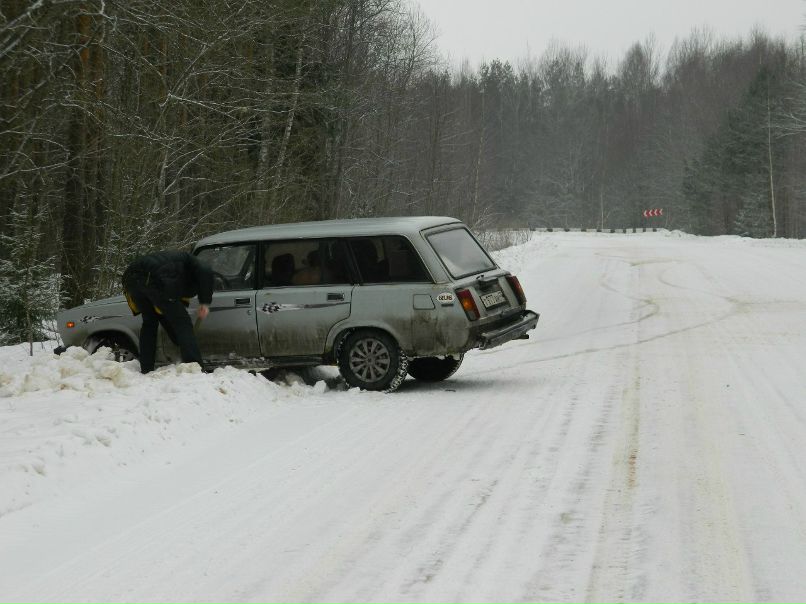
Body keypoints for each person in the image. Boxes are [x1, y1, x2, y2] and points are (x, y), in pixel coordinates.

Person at [122, 250, 214, 374]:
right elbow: (206, 271)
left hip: (131, 279)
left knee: (149, 323)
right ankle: (194, 369)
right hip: (153, 278)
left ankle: (146, 368)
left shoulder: (176, 267)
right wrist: (205, 302)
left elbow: (166, 306)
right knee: (183, 322)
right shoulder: (194, 263)